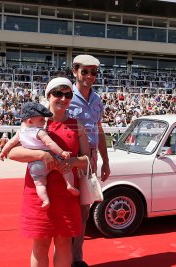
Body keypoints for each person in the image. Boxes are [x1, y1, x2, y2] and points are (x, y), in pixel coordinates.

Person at [7, 77, 90, 267]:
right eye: (57, 94)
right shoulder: (35, 122)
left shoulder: (77, 125)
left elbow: (87, 161)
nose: (63, 98)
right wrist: (41, 155)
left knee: (63, 244)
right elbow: (12, 153)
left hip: (67, 194)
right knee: (40, 244)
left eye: (67, 94)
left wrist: (73, 161)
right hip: (39, 194)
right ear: (48, 95)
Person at [69, 54, 111, 267]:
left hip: (91, 158)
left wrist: (105, 160)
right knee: (68, 207)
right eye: (85, 71)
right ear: (75, 71)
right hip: (71, 158)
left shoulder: (97, 99)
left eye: (94, 72)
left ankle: (77, 258)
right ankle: (65, 258)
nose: (89, 76)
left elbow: (99, 129)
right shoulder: (65, 95)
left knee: (84, 209)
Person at [0, 102, 79, 209]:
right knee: (66, 169)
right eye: (41, 119)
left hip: (34, 165)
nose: (44, 121)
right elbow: (50, 144)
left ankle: (45, 200)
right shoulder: (40, 131)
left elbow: (10, 143)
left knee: (40, 184)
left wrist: (3, 152)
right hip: (52, 158)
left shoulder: (20, 132)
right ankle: (70, 185)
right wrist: (62, 153)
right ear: (30, 121)